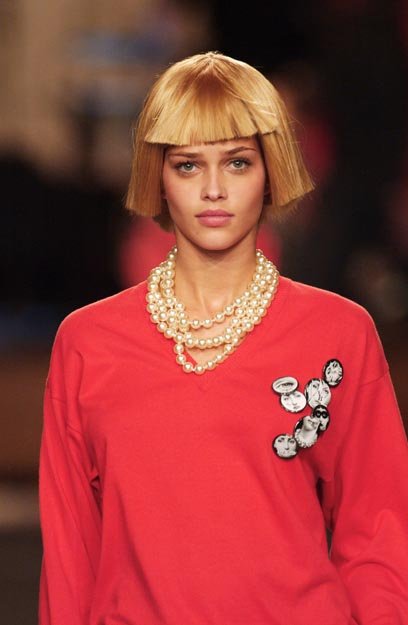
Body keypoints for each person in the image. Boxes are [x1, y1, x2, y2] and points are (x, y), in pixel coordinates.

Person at [38, 51, 408, 625]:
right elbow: (69, 555)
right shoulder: (89, 343)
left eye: (237, 162)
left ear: (270, 172)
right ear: (159, 177)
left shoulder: (338, 333)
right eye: (188, 165)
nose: (213, 188)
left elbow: (380, 537)